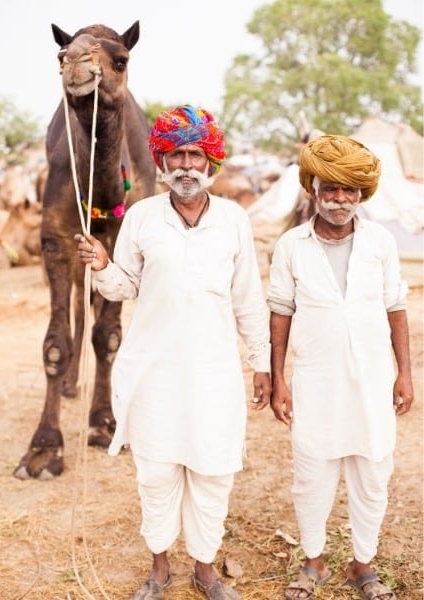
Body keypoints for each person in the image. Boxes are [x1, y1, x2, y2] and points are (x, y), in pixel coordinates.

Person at [75, 105, 271, 600]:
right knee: (157, 472)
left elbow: (247, 297)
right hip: (154, 369)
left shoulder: (234, 220)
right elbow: (123, 287)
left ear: (211, 163)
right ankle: (159, 570)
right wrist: (101, 263)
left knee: (212, 468)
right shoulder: (141, 217)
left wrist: (261, 363)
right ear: (161, 162)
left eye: (195, 155)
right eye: (176, 155)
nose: (186, 165)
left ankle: (205, 571)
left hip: (214, 370)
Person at [266, 135, 413, 600]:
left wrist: (405, 373)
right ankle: (313, 564)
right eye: (330, 189)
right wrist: (279, 379)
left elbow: (396, 307)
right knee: (311, 474)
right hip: (315, 379)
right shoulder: (291, 245)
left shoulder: (381, 242)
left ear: (361, 194)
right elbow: (280, 313)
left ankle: (362, 566)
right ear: (313, 189)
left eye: (349, 190)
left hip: (371, 381)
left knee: (372, 473)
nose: (339, 199)